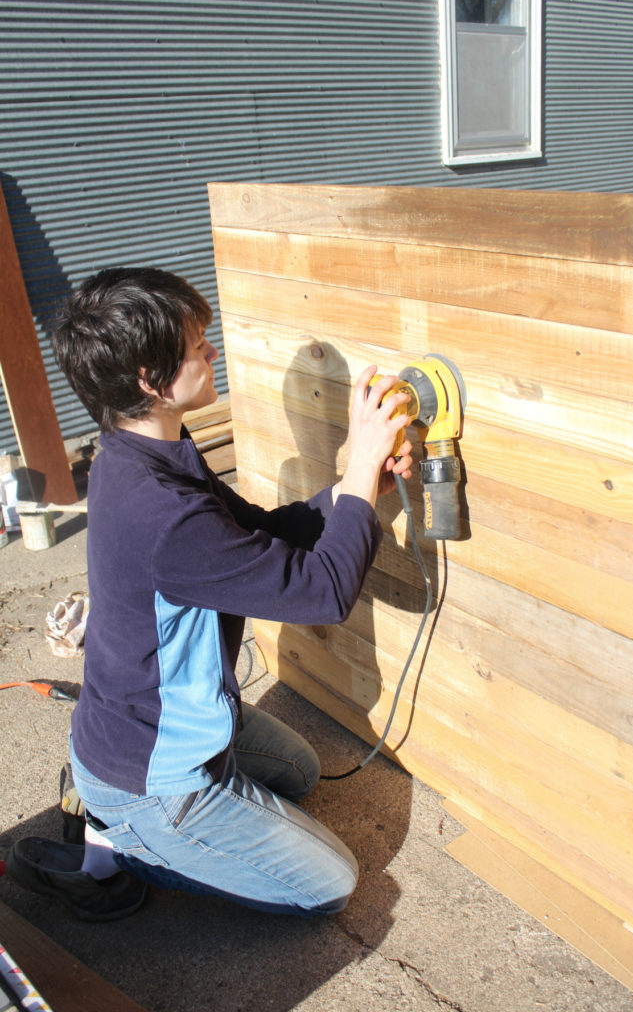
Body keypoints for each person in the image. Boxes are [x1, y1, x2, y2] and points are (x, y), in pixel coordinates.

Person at [7, 267, 412, 922]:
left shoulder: (138, 452)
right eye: (197, 345)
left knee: (299, 773)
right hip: (149, 773)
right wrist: (362, 465)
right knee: (327, 886)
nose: (212, 350)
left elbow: (259, 532)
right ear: (148, 378)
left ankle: (127, 814)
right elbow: (323, 593)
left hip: (143, 722)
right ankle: (123, 843)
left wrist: (351, 495)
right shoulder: (160, 510)